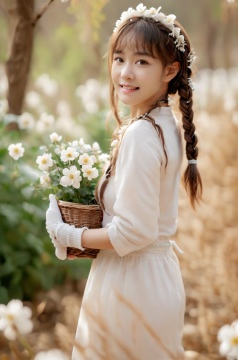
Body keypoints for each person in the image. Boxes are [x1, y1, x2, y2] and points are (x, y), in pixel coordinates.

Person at [46, 3, 202, 360]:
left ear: (170, 70)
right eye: (119, 59)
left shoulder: (142, 135)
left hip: (131, 285)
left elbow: (133, 233)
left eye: (142, 62)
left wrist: (68, 234)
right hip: (154, 277)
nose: (125, 73)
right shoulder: (165, 125)